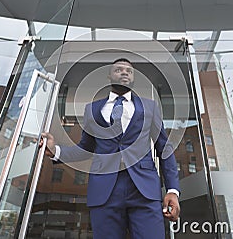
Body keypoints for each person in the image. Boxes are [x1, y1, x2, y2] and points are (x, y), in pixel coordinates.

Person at [40, 58, 180, 238]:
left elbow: (164, 148)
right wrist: (56, 151)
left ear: (133, 78)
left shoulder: (150, 107)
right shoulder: (92, 109)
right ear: (109, 76)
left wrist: (172, 190)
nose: (124, 73)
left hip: (144, 190)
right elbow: (85, 148)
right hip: (105, 190)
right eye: (119, 70)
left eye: (129, 71)